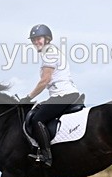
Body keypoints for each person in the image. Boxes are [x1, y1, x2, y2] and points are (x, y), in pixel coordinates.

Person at [20, 24, 82, 167]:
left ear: (47, 39)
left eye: (38, 39)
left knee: (37, 120)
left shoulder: (50, 53)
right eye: (33, 40)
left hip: (64, 95)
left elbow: (44, 81)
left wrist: (28, 97)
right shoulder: (50, 52)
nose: (36, 42)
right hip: (60, 94)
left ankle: (46, 155)